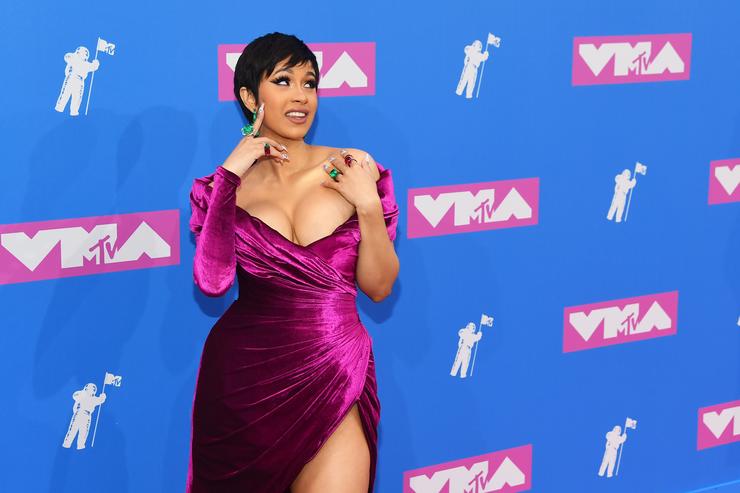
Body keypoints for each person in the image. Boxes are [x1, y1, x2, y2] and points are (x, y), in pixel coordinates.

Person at [186, 32, 400, 493]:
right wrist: (229, 177)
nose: (301, 96)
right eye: (283, 81)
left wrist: (367, 205)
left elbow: (380, 288)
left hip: (334, 372)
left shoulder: (355, 169)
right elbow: (212, 281)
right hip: (244, 381)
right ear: (250, 97)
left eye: (310, 83)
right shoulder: (221, 188)